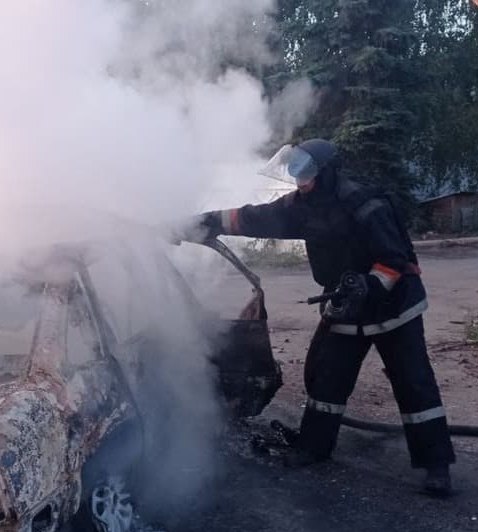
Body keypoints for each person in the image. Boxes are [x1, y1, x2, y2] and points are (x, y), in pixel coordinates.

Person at [186, 139, 456, 496]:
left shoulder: (365, 205)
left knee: (414, 384)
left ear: (327, 174)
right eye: (297, 177)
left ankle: (436, 465)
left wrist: (368, 285)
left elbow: (394, 261)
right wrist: (204, 223)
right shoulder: (302, 207)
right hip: (345, 304)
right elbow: (253, 217)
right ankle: (314, 447)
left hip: (394, 309)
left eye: (307, 177)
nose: (301, 184)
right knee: (326, 379)